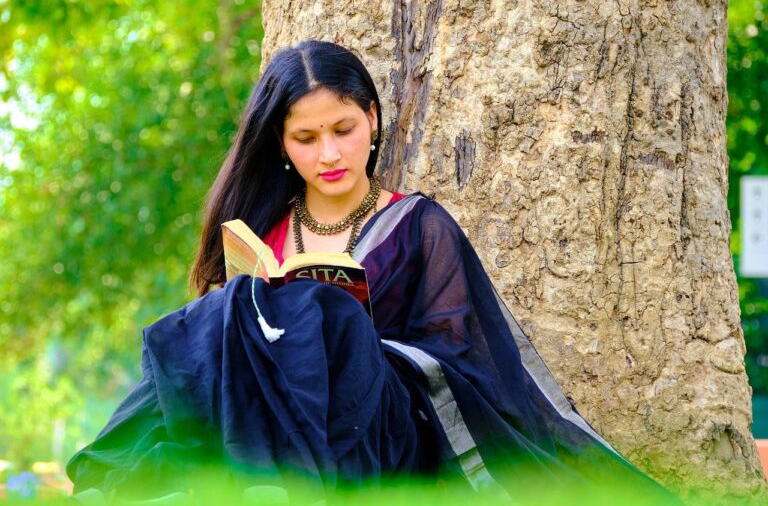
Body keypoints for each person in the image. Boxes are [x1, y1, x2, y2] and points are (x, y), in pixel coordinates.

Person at [66, 40, 683, 505]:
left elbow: (458, 355)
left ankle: (277, 481)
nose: (328, 154)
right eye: (306, 138)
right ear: (281, 145)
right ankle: (120, 474)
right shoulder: (262, 230)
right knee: (209, 322)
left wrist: (347, 330)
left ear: (373, 120)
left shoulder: (417, 223)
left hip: (378, 423)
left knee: (317, 313)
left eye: (343, 129)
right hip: (270, 412)